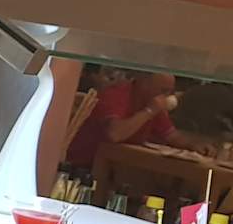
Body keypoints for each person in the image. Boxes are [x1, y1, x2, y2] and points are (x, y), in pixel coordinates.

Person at [67, 71, 200, 168]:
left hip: (119, 166)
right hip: (84, 165)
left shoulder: (153, 104)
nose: (165, 97)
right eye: (163, 91)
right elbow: (115, 134)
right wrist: (149, 111)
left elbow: (172, 136)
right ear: (144, 84)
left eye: (169, 92)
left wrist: (195, 145)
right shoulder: (116, 95)